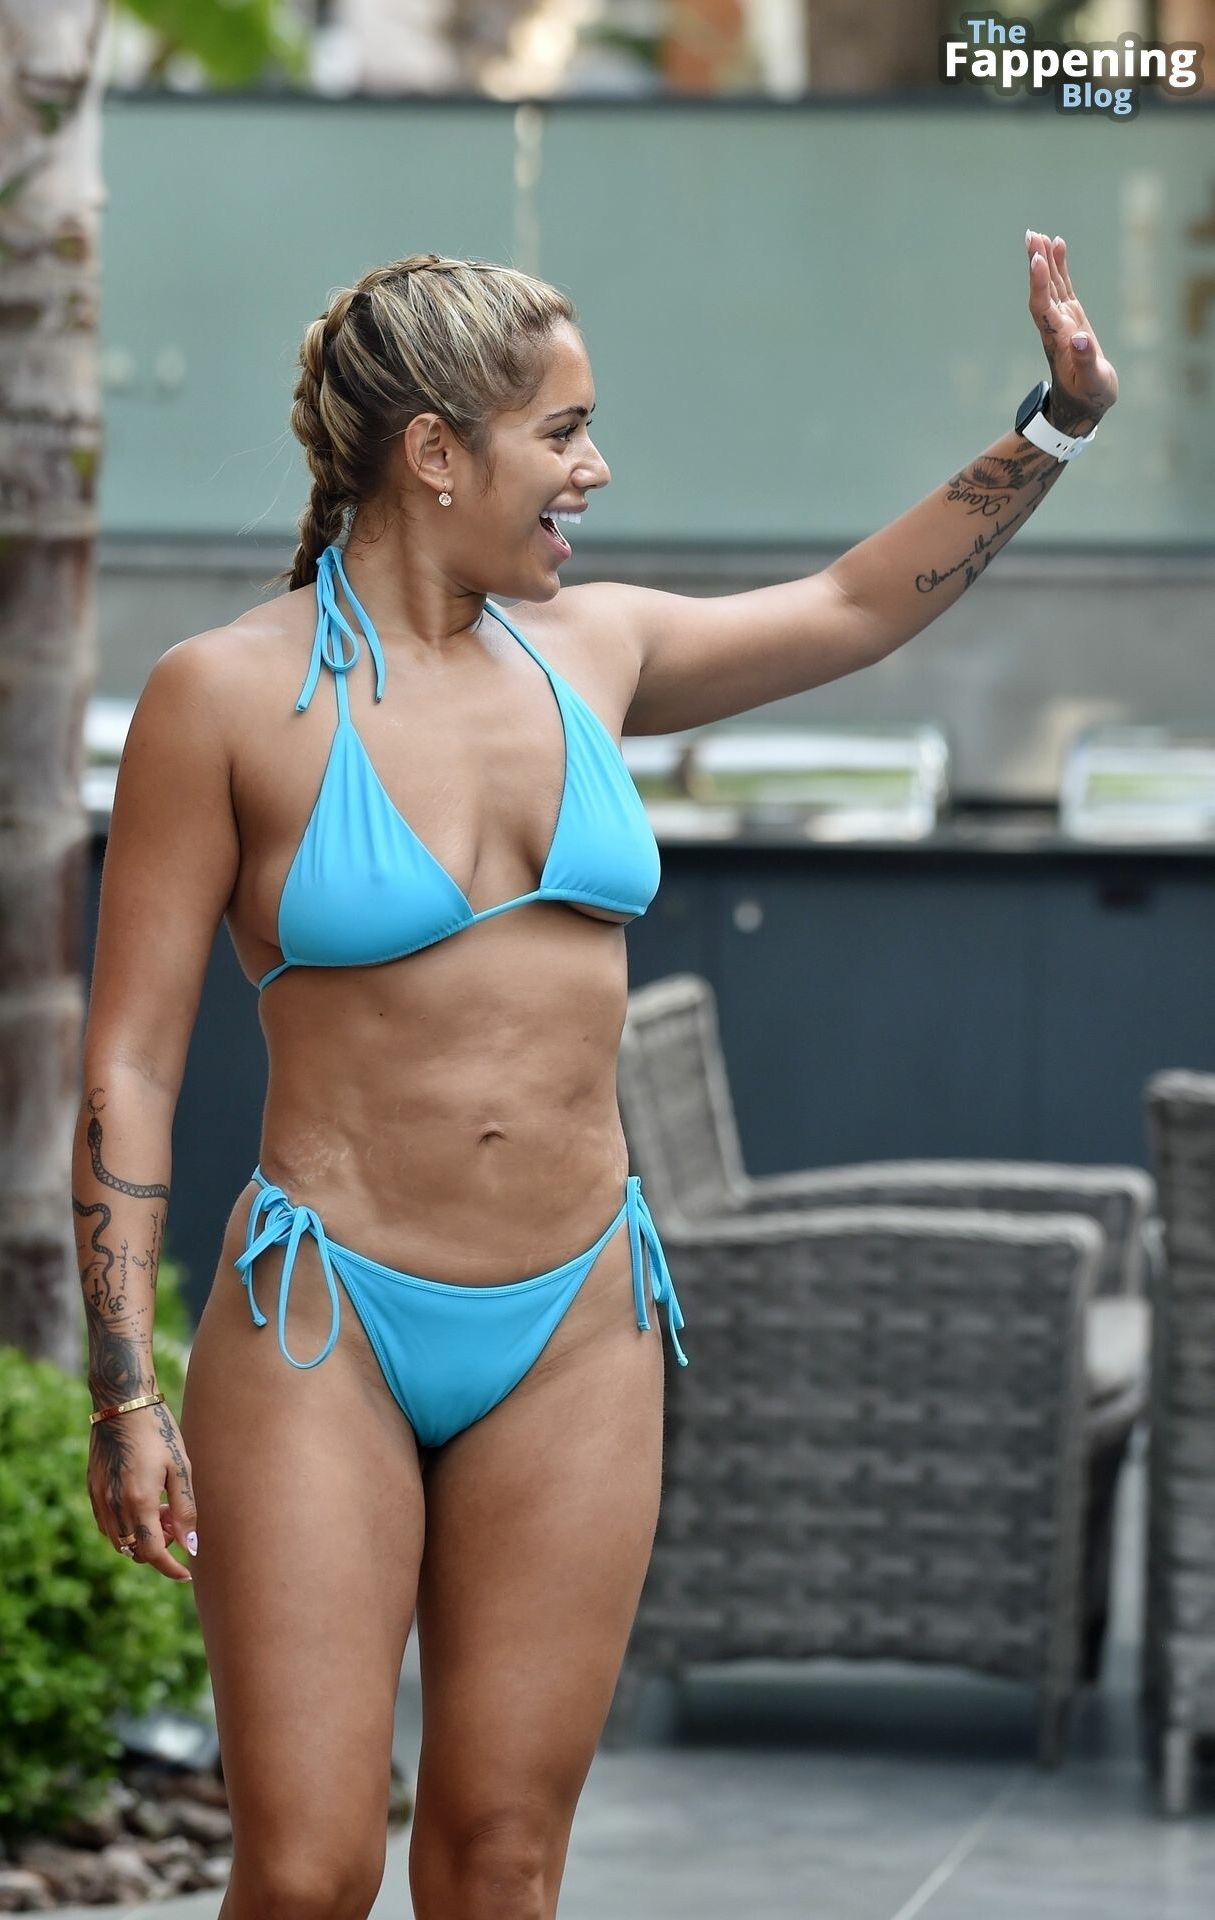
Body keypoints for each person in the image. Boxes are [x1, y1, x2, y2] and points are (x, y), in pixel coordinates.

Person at [75, 234, 1116, 1917]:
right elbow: (129, 1059)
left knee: (502, 1863)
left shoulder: (593, 653)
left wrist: (1052, 427)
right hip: (326, 1323)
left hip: (574, 1324)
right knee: (312, 1872)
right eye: (560, 431)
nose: (595, 468)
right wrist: (124, 1388)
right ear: (434, 452)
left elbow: (854, 607)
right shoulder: (225, 697)